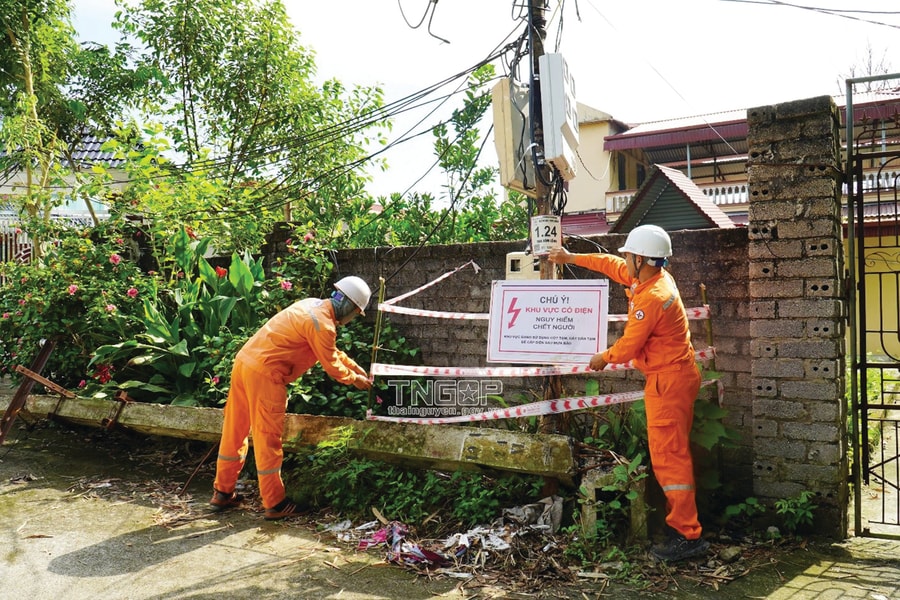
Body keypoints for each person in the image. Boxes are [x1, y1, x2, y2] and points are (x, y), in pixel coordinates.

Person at [548, 225, 709, 562]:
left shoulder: (651, 297)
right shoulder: (652, 277)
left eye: (628, 255)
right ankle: (682, 526)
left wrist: (602, 358)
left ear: (640, 258)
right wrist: (569, 257)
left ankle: (686, 535)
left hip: (668, 382)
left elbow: (628, 346)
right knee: (671, 454)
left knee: (670, 457)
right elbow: (608, 264)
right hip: (673, 378)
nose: (624, 259)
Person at [210, 275, 374, 520]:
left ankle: (222, 492)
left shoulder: (310, 306)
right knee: (267, 438)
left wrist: (356, 367)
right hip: (266, 375)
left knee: (235, 430)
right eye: (355, 314)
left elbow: (331, 352)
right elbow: (332, 365)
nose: (350, 320)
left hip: (244, 363)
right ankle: (275, 504)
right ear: (350, 306)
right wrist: (356, 379)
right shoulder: (324, 325)